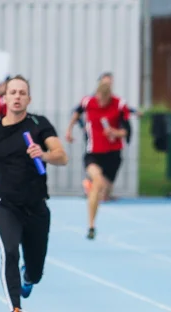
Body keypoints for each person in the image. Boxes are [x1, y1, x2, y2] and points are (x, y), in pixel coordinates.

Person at [0, 75, 68, 312]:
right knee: (9, 251)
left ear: (28, 99)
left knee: (35, 271)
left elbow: (62, 156)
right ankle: (15, 309)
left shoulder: (40, 126)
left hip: (36, 206)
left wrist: (45, 154)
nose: (17, 96)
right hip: (5, 205)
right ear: (5, 98)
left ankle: (28, 276)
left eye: (22, 92)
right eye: (13, 92)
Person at [65, 81, 131, 240]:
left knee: (105, 191)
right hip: (93, 153)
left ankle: (93, 187)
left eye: (104, 101)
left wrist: (115, 132)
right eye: (99, 100)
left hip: (113, 154)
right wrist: (69, 129)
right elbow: (76, 113)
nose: (100, 104)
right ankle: (91, 225)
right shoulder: (88, 102)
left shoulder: (119, 105)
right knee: (98, 181)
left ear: (109, 97)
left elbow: (126, 131)